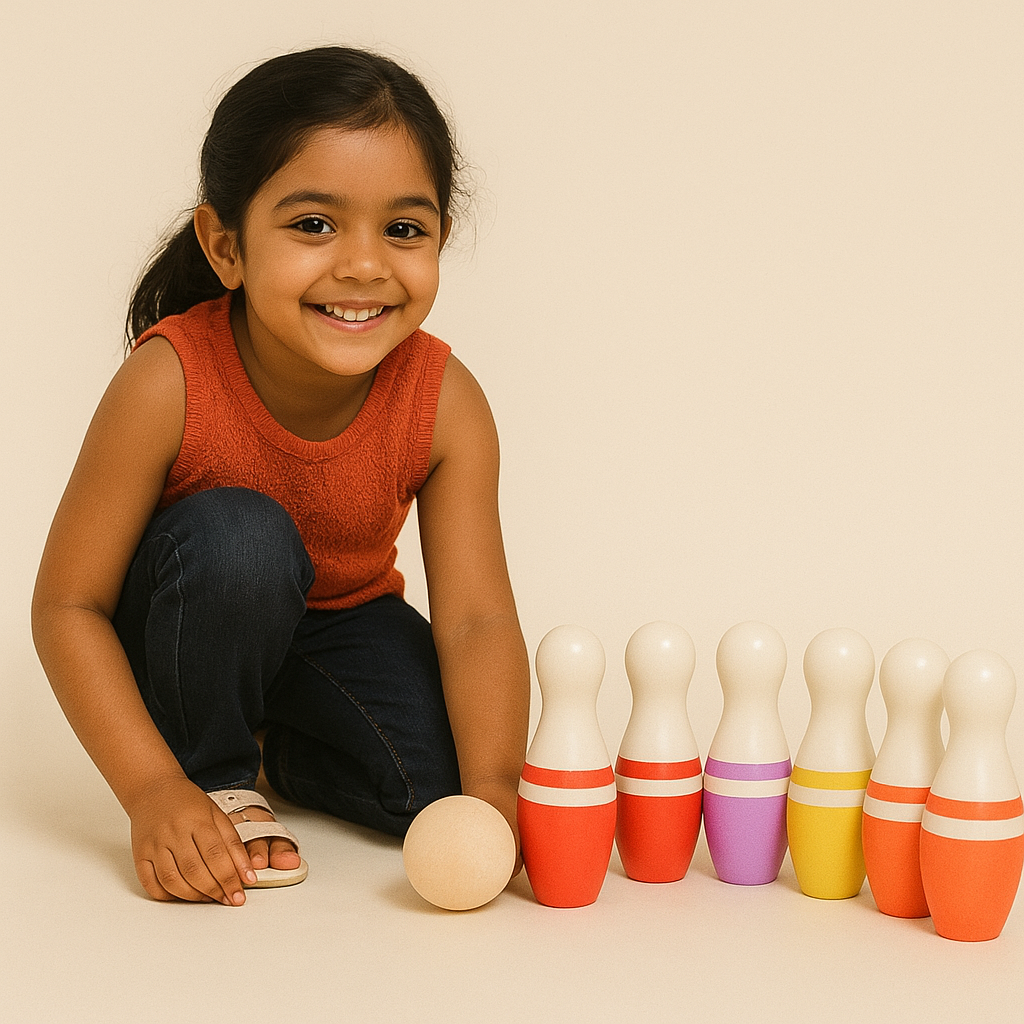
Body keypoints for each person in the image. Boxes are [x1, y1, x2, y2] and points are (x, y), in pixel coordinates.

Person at [31, 46, 530, 907]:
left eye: (404, 230)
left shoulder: (447, 400)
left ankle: (276, 747)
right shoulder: (167, 380)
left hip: (338, 625)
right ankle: (215, 765)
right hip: (196, 621)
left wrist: (495, 787)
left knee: (444, 785)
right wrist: (153, 790)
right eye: (313, 225)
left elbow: (478, 618)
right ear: (226, 246)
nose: (366, 266)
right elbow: (67, 607)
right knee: (241, 538)